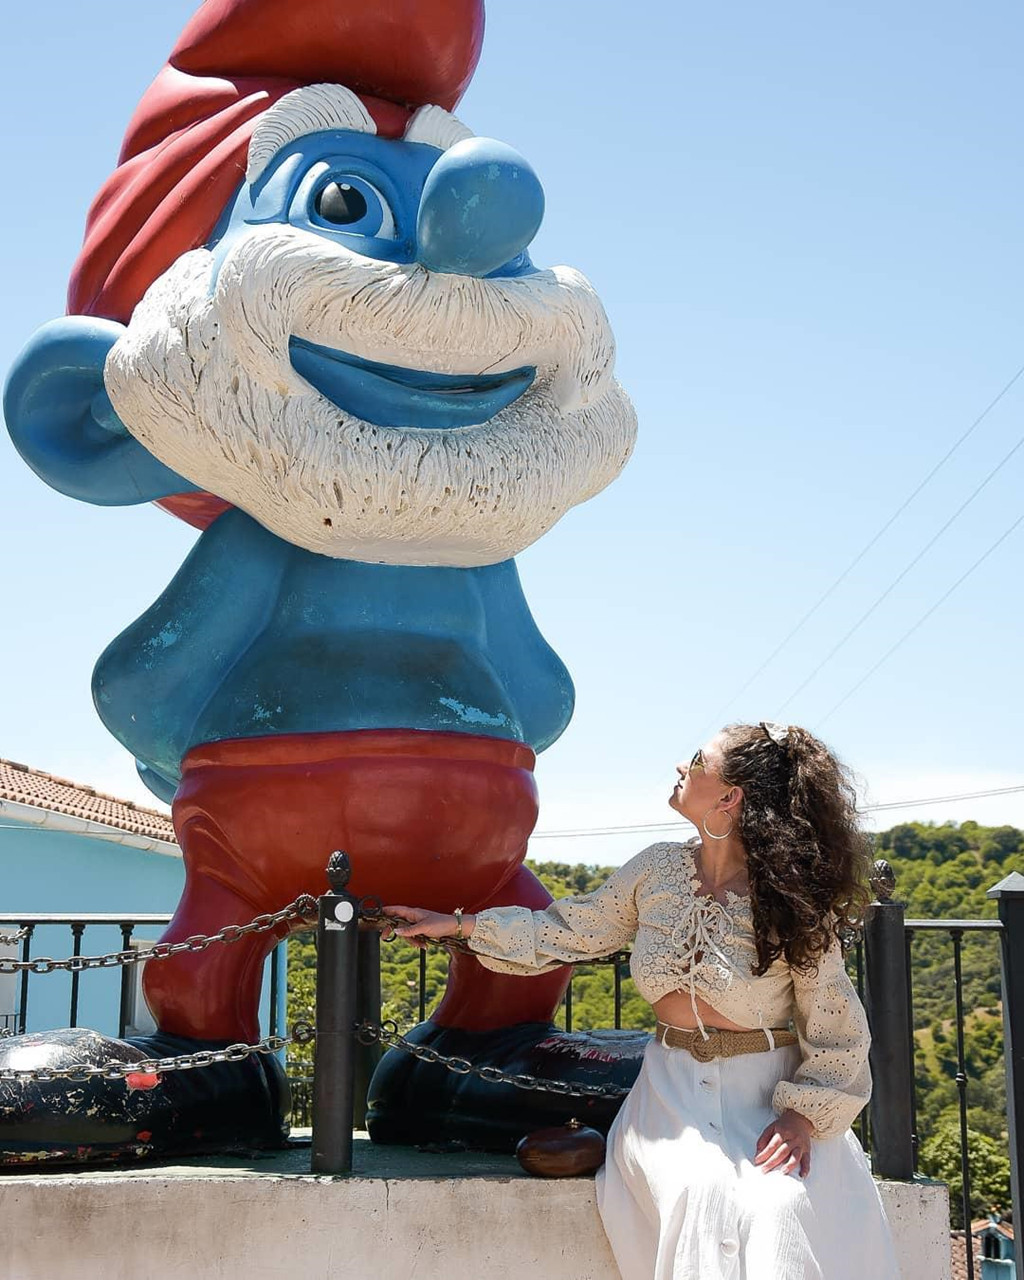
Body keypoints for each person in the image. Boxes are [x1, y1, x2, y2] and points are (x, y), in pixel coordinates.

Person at [386, 721, 900, 1280]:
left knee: (777, 1204)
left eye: (698, 759)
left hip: (767, 1097)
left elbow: (838, 1028)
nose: (682, 766)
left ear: (730, 796)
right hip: (669, 1095)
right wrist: (456, 926)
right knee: (700, 1192)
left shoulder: (794, 898)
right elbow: (567, 931)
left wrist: (801, 1118)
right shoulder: (656, 869)